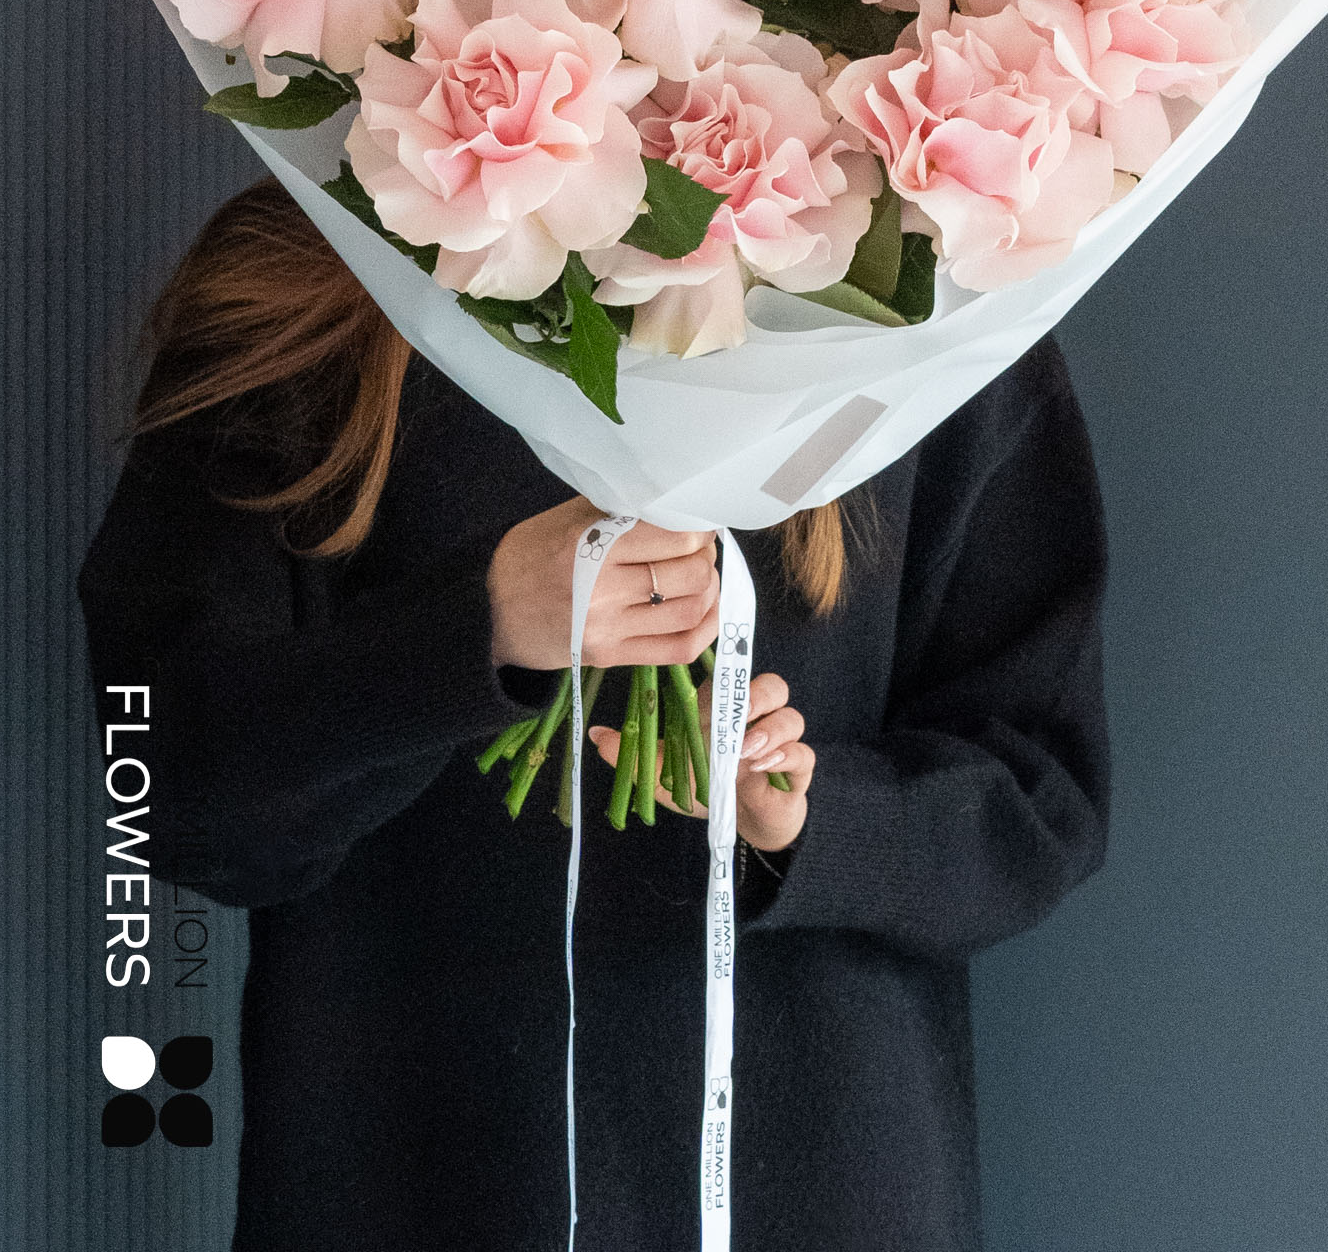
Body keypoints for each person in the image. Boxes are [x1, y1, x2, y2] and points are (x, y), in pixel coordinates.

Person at [79, 177, 1112, 1252]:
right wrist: (478, 628)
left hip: (825, 1187)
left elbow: (1042, 800)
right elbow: (170, 790)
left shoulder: (927, 286)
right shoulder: (318, 263)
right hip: (419, 1182)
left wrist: (813, 823)